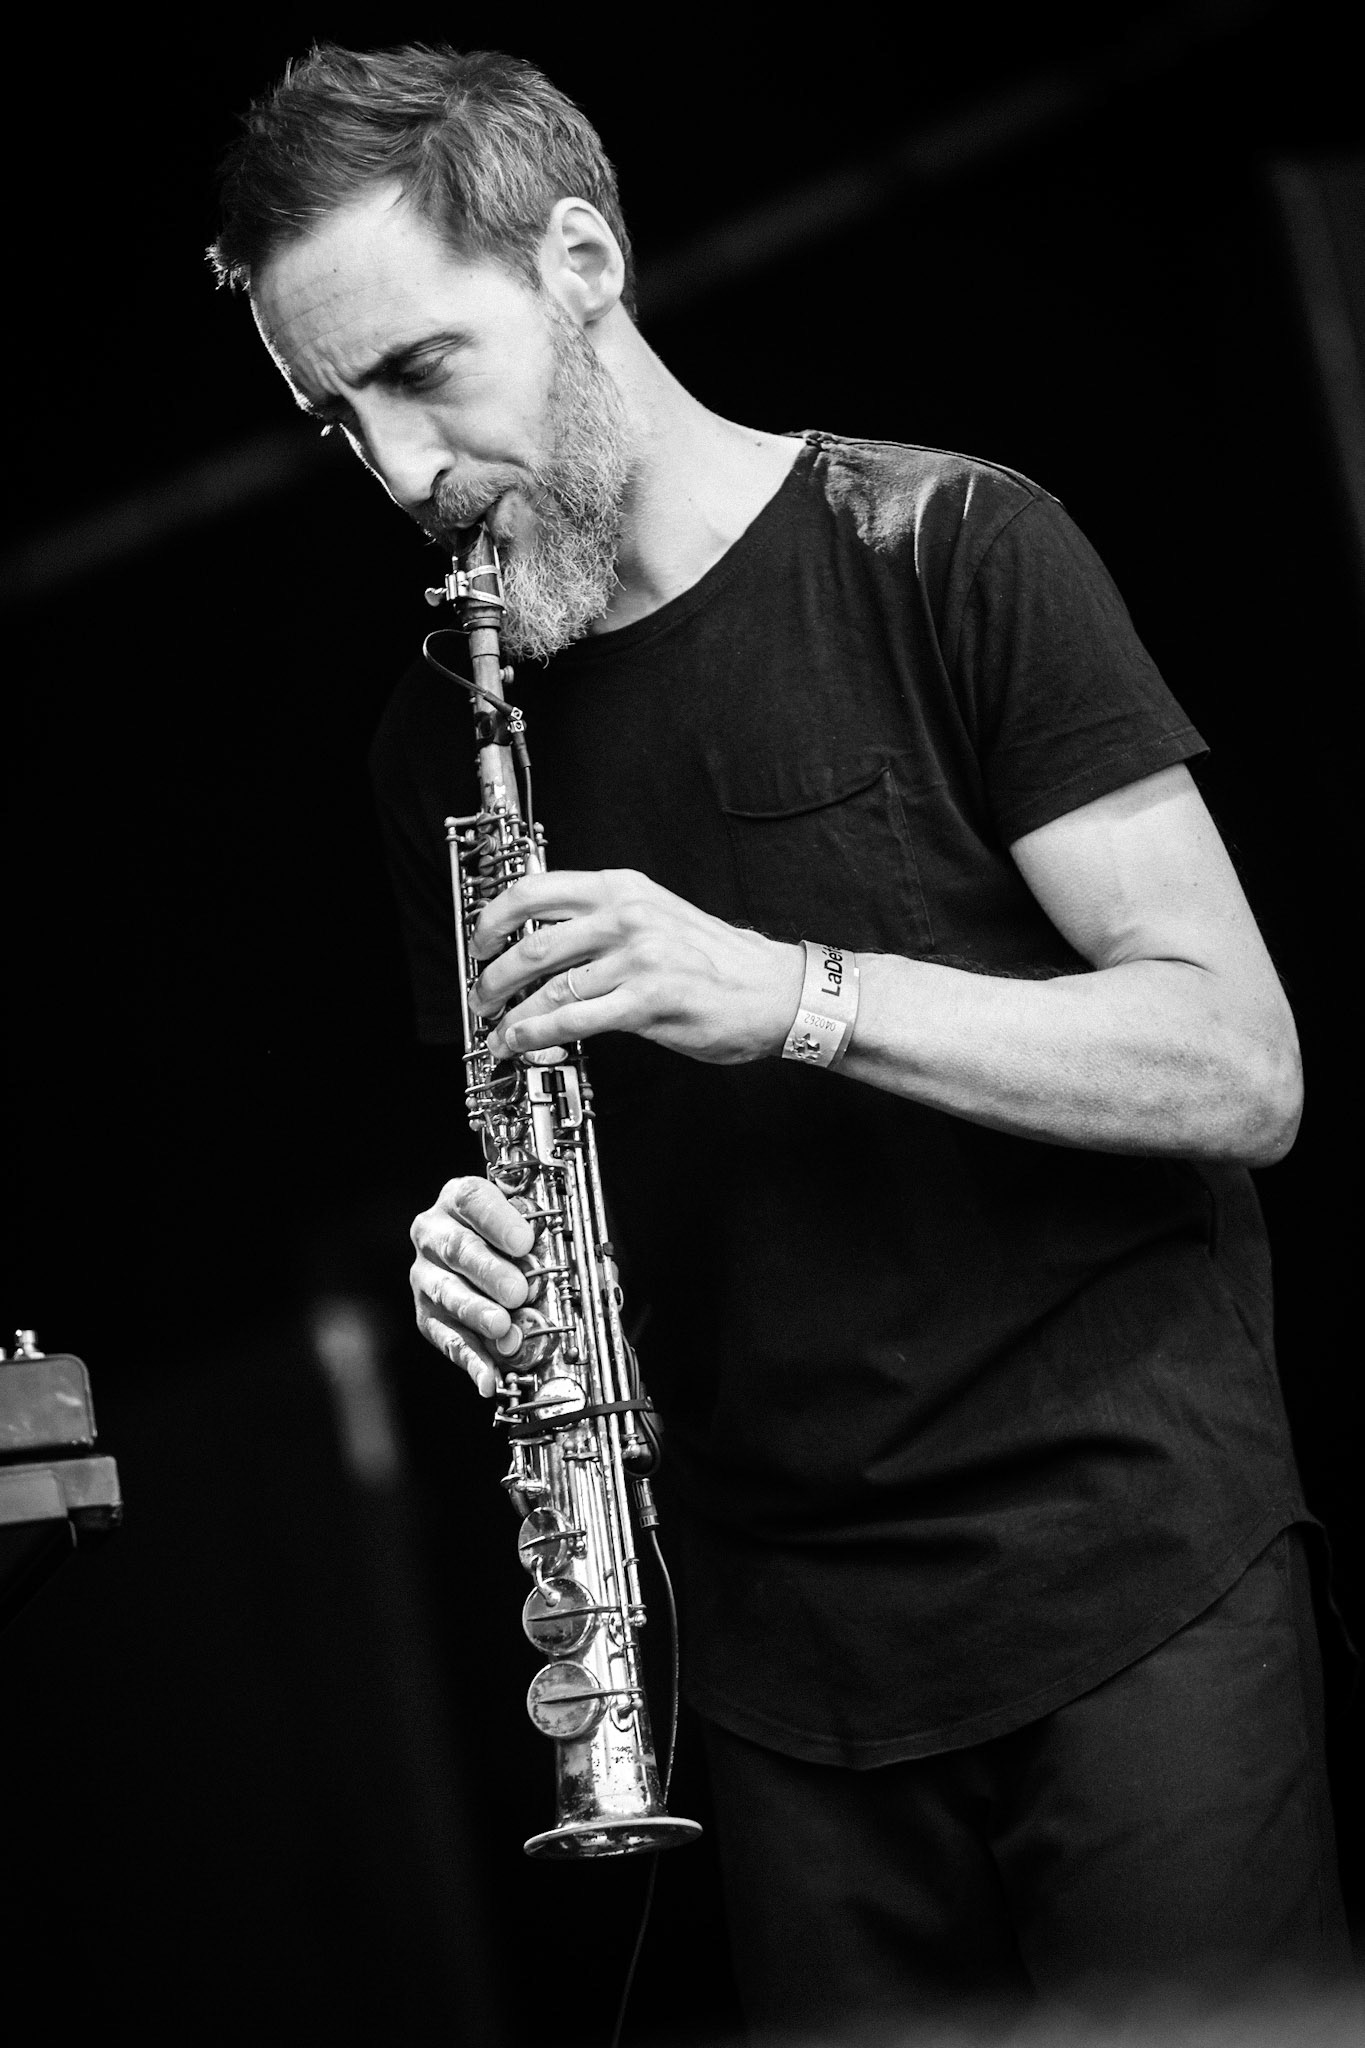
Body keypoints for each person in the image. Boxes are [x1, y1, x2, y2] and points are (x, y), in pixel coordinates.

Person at [211, 43, 1349, 2035]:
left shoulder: (950, 548)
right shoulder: (439, 743)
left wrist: (783, 991)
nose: (393, 476)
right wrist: (487, 1261)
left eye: (416, 374)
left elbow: (1237, 1064)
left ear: (579, 257)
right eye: (334, 422)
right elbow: (553, 1159)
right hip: (780, 1677)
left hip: (1131, 1591)